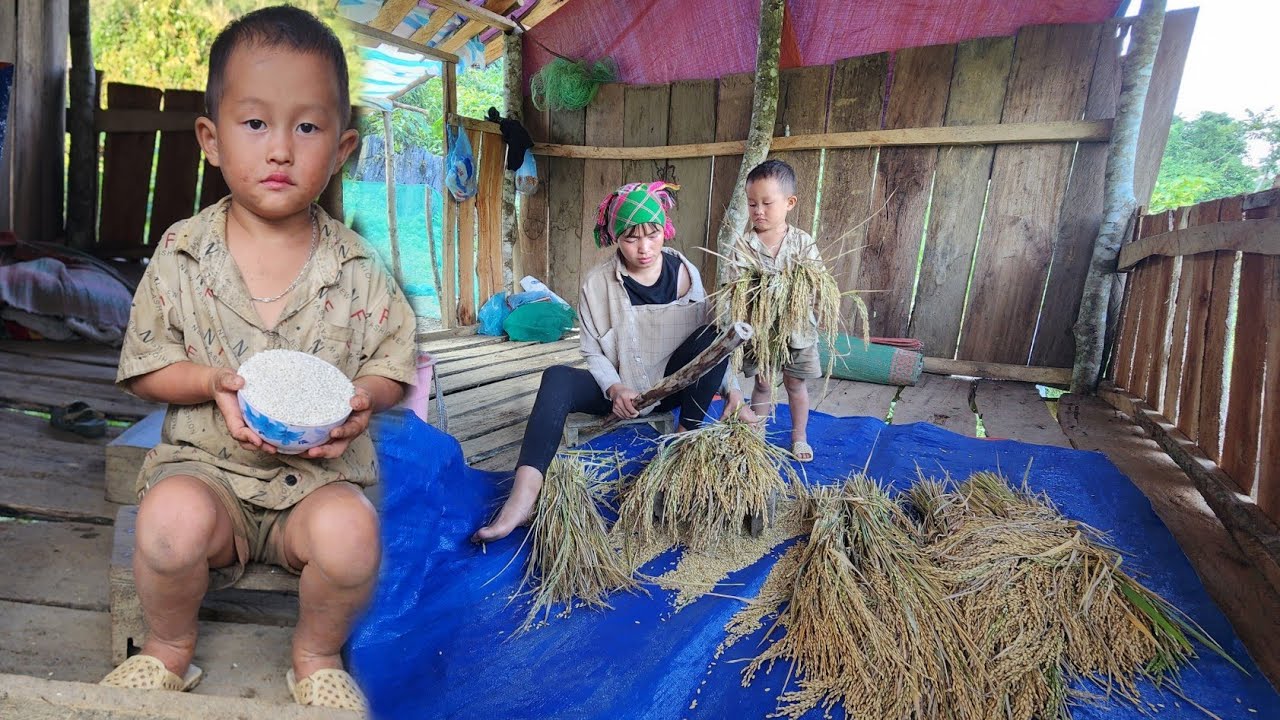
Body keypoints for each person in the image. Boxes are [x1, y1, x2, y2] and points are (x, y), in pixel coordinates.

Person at [98, 7, 416, 713]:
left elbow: (395, 362)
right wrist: (210, 381)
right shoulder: (182, 254)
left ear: (342, 149)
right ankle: (169, 649)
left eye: (307, 127)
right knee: (167, 523)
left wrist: (366, 395)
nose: (280, 149)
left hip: (317, 482)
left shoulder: (358, 266)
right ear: (210, 139)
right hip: (207, 472)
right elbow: (147, 368)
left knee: (353, 534)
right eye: (255, 124)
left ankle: (316, 655)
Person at [472, 181, 747, 542]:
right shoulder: (597, 283)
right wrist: (615, 387)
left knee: (713, 334)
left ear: (664, 229)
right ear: (615, 237)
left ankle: (679, 456)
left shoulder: (687, 274)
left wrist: (734, 390)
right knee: (556, 377)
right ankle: (522, 500)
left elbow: (710, 345)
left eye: (652, 234)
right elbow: (591, 351)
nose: (644, 248)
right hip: (623, 388)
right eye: (632, 238)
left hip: (674, 386)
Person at [736, 159, 825, 462]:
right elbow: (737, 288)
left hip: (797, 328)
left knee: (795, 384)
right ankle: (755, 434)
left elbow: (816, 281)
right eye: (752, 204)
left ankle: (799, 436)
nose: (758, 211)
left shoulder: (802, 242)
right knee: (762, 382)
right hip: (760, 331)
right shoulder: (745, 245)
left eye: (766, 203)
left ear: (789, 203)